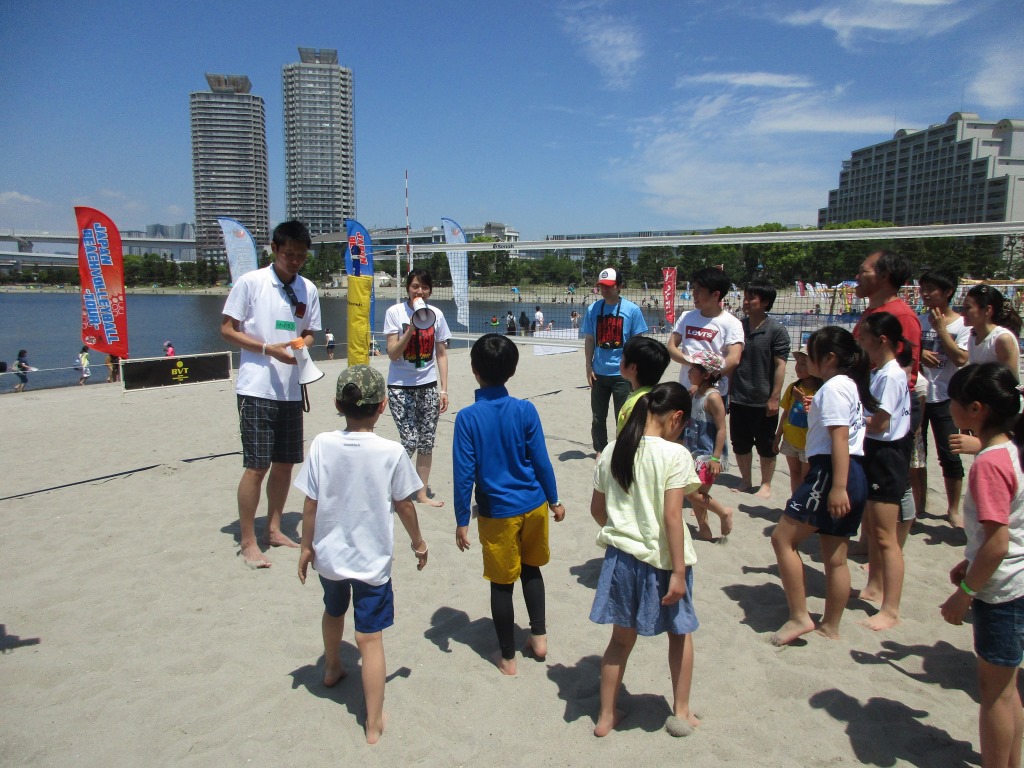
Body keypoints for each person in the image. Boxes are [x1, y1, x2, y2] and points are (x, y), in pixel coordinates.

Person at [295, 365, 427, 745]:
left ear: (338, 404)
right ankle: (373, 721)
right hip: (371, 563)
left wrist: (306, 546)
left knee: (333, 611)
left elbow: (310, 503)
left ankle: (332, 667)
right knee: (369, 639)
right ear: (383, 406)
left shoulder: (321, 443)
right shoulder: (391, 451)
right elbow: (404, 505)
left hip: (331, 558)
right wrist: (418, 542)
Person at [590, 382, 703, 738]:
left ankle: (606, 716)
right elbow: (673, 517)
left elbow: (598, 510)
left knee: (619, 642)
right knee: (680, 634)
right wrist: (680, 572)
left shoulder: (611, 449)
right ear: (677, 418)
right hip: (664, 561)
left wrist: (626, 528)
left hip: (621, 560)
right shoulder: (675, 455)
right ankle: (681, 711)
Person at [452, 334, 565, 675]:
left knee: (502, 584)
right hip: (534, 504)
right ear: (512, 371)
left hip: (498, 511)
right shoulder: (525, 409)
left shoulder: (468, 418)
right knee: (532, 570)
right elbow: (542, 461)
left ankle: (507, 658)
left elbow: (463, 475)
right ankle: (539, 637)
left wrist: (462, 519)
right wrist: (555, 499)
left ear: (474, 370)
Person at [221, 220, 322, 569]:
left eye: (300, 256)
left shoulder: (308, 288)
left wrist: (298, 344)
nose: (294, 261)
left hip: (291, 387)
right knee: (256, 466)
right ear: (275, 250)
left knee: (285, 464)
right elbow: (227, 329)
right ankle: (248, 540)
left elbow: (309, 332)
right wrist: (267, 348)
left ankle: (275, 528)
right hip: (257, 386)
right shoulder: (251, 282)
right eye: (288, 254)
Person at [940, 362, 1024, 768]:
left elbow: (998, 542)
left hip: (1001, 589)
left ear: (975, 409)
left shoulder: (989, 463)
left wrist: (965, 594)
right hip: (1013, 579)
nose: (949, 407)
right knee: (1009, 690)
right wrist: (968, 560)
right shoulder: (1011, 450)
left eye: (954, 401)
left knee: (995, 695)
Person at [770, 326, 875, 646]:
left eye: (810, 352)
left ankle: (800, 615)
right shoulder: (847, 385)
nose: (804, 359)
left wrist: (837, 486)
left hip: (832, 472)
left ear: (829, 358)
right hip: (853, 471)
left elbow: (839, 438)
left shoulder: (832, 389)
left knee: (782, 539)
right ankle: (831, 625)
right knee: (835, 555)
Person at [857, 312, 913, 632]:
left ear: (882, 340)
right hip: (878, 451)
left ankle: (891, 608)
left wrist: (848, 419)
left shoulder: (891, 375)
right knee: (875, 529)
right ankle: (874, 586)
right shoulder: (881, 372)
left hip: (887, 454)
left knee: (886, 537)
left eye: (864, 337)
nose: (860, 341)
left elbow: (880, 423)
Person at [384, 268, 451, 507]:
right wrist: (411, 327)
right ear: (407, 288)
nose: (419, 291)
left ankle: (421, 493)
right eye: (414, 286)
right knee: (410, 439)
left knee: (426, 441)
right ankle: (393, 484)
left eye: (423, 287)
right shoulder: (395, 312)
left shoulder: (437, 315)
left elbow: (441, 354)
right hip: (400, 386)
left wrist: (443, 389)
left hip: (428, 385)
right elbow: (392, 354)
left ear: (430, 290)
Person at [917, 269, 970, 527]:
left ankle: (953, 509)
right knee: (917, 454)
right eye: (922, 288)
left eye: (931, 289)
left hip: (947, 397)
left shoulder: (962, 324)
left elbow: (961, 358)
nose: (925, 294)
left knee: (949, 454)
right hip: (920, 395)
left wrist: (941, 331)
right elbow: (906, 353)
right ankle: (919, 507)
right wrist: (919, 354)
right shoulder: (918, 320)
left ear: (948, 292)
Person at [729, 279, 790, 499]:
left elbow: (780, 366)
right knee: (740, 442)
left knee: (765, 444)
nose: (745, 302)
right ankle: (746, 480)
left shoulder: (776, 330)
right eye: (745, 297)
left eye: (750, 298)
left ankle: (766, 484)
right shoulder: (738, 326)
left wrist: (775, 397)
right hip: (739, 397)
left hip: (763, 399)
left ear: (764, 302)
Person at [582, 267, 649, 457]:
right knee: (597, 417)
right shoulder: (593, 309)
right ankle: (600, 450)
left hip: (622, 374)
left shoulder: (632, 310)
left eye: (609, 286)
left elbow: (638, 342)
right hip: (599, 372)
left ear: (620, 286)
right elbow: (589, 339)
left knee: (624, 416)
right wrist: (588, 366)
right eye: (602, 286)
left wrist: (635, 371)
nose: (605, 289)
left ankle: (623, 449)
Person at [668, 267, 744, 399]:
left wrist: (703, 382)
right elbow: (671, 347)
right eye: (694, 289)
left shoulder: (732, 323)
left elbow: (734, 358)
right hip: (686, 389)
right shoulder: (686, 317)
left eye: (699, 291)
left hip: (713, 393)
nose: (694, 294)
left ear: (716, 294)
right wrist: (692, 362)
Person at [681, 351, 733, 541]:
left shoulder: (713, 398)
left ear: (706, 374)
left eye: (693, 369)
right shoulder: (696, 392)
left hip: (708, 454)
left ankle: (724, 512)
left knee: (693, 493)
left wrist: (716, 458)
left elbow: (721, 429)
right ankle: (704, 530)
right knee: (697, 493)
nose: (689, 371)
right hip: (694, 451)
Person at [772, 347, 821, 495]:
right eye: (798, 363)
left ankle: (803, 506)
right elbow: (786, 412)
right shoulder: (793, 387)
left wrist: (804, 401)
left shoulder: (821, 391)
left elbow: (820, 416)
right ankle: (795, 500)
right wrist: (778, 435)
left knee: (807, 476)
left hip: (809, 443)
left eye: (803, 364)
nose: (798, 367)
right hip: (790, 439)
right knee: (794, 472)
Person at [616, 336, 671, 436]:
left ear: (632, 367)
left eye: (623, 358)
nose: (620, 361)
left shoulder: (636, 403)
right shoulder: (658, 396)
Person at [964, 284, 1021, 375]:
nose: (962, 313)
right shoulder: (973, 338)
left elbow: (1012, 383)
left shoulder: (1002, 339)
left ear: (987, 310)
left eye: (968, 308)